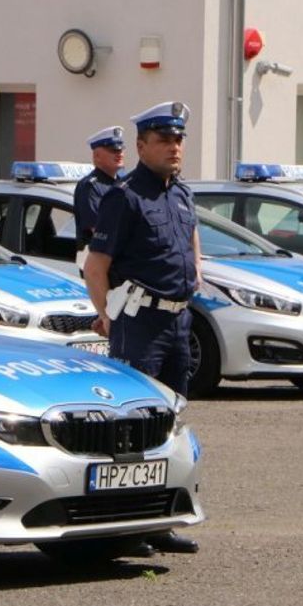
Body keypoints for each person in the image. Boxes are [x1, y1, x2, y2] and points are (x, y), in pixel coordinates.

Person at [84, 101, 201, 555]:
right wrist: (108, 315)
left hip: (178, 320)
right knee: (131, 429)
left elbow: (190, 242)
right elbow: (96, 266)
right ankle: (124, 527)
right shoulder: (125, 196)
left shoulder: (181, 193)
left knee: (169, 426)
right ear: (141, 146)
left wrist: (196, 274)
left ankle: (159, 520)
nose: (174, 147)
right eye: (164, 140)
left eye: (178, 139)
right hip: (141, 324)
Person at [73, 125, 126, 274]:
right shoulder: (90, 187)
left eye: (121, 150)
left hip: (119, 263)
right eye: (113, 150)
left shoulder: (122, 183)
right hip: (99, 266)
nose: (119, 154)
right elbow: (99, 228)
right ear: (97, 156)